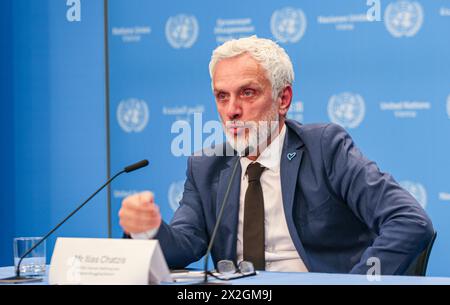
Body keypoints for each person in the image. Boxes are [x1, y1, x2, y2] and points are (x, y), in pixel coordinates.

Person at [119, 36, 434, 274]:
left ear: (283, 99)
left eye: (247, 92)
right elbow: (183, 246)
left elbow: (410, 221)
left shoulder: (325, 148)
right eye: (222, 96)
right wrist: (147, 229)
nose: (232, 111)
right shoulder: (206, 168)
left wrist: (355, 283)